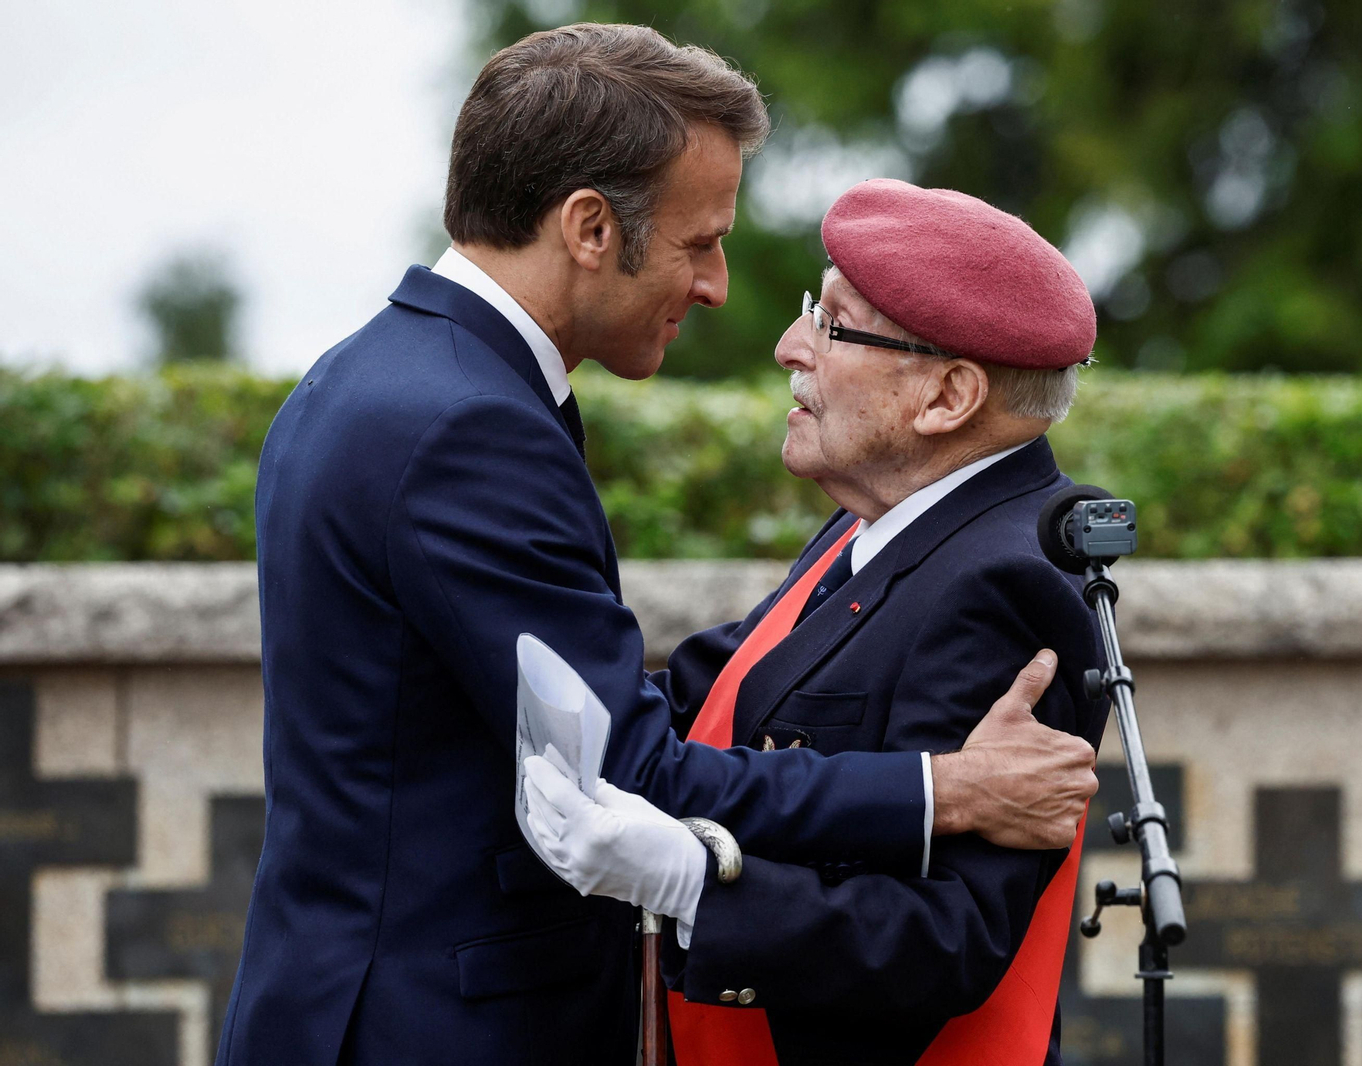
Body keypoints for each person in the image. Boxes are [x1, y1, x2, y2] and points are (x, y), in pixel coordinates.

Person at [221, 25, 1096, 1066]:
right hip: (432, 1023)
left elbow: (653, 701)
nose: (723, 287)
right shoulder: (467, 421)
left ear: (952, 396)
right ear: (591, 227)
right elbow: (626, 760)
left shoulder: (376, 374)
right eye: (697, 242)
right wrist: (938, 790)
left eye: (835, 323)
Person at [521, 178, 1108, 1066]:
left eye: (834, 325)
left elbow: (943, 941)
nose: (789, 346)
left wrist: (693, 890)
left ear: (947, 397)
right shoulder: (886, 520)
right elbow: (708, 692)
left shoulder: (1007, 581)